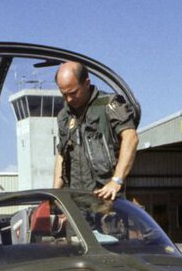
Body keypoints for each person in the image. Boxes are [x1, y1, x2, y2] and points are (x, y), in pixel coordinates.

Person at [53, 61, 138, 201]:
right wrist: (56, 195)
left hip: (107, 203)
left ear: (86, 83)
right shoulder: (64, 116)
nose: (68, 99)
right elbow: (61, 154)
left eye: (73, 93)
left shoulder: (109, 104)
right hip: (76, 205)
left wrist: (116, 181)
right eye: (64, 94)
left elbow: (131, 137)